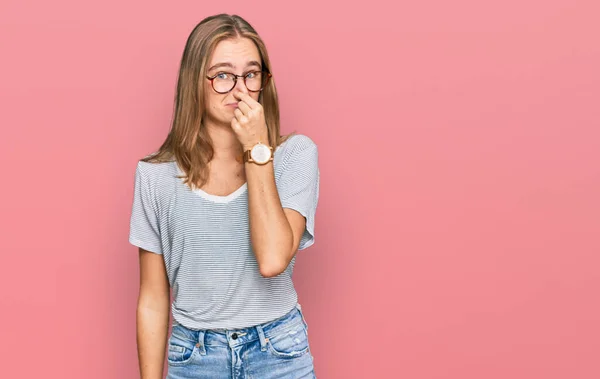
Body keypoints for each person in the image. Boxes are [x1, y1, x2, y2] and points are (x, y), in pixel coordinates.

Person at [128, 13, 320, 379]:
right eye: (222, 76)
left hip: (279, 352)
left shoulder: (295, 155)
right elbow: (152, 299)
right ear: (194, 82)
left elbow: (273, 259)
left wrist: (256, 148)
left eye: (251, 74)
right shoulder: (155, 175)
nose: (240, 89)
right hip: (194, 358)